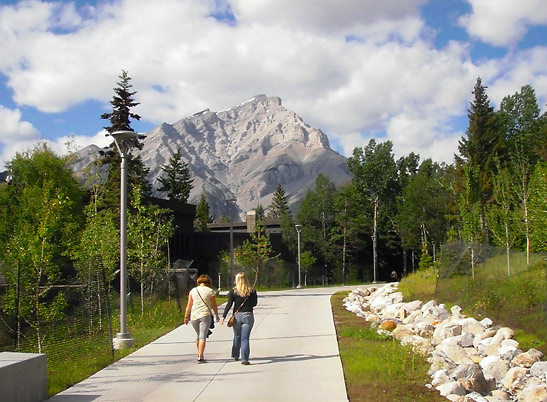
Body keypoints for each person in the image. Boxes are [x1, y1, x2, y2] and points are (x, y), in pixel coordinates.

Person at [221, 272, 258, 365]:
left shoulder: (233, 292)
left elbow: (229, 304)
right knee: (245, 338)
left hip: (237, 317)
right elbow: (254, 304)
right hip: (248, 316)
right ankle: (245, 359)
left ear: (237, 280)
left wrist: (223, 316)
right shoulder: (252, 291)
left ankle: (235, 354)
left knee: (237, 336)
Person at [184, 274, 219, 363]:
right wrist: (217, 315)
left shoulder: (193, 291)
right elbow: (214, 305)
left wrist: (186, 316)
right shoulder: (210, 291)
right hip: (205, 315)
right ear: (208, 282)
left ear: (199, 281)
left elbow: (189, 304)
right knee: (202, 336)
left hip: (194, 315)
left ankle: (200, 353)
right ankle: (200, 356)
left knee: (198, 335)